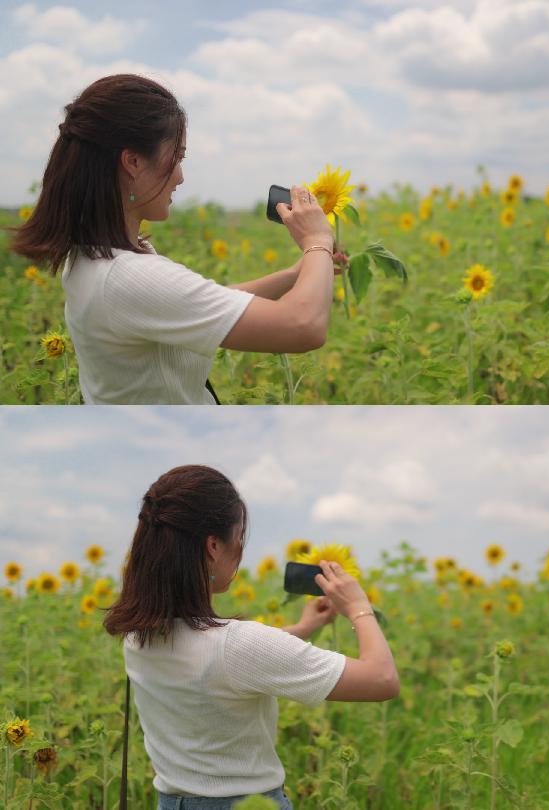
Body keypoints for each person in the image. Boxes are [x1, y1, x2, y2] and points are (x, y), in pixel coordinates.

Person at [9, 74, 346, 404]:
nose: (180, 176)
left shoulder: (93, 256)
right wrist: (317, 238)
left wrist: (295, 273)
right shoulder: (128, 277)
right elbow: (303, 327)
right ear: (134, 161)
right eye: (177, 156)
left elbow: (189, 304)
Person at [102, 465, 400, 810]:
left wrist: (302, 630)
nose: (241, 548)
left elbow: (216, 660)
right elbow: (383, 680)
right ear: (213, 545)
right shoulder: (238, 646)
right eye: (239, 535)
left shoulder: (138, 635)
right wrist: (359, 607)